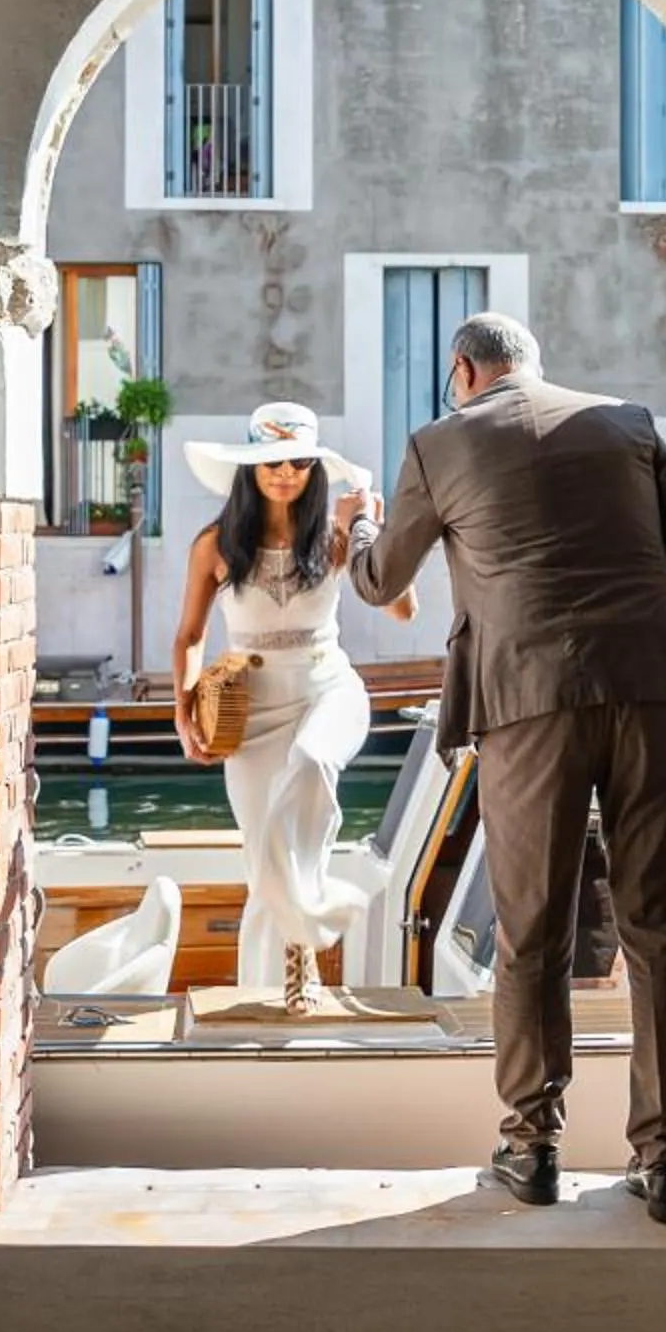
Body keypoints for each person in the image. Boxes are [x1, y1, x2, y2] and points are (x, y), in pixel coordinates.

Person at [346, 314, 666, 1226]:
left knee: (532, 933)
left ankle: (531, 1148)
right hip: (658, 692)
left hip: (530, 702)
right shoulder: (628, 423)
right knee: (662, 931)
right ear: (534, 369)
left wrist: (357, 526)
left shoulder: (440, 444)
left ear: (465, 371)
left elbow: (379, 578)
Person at [172, 403, 416, 1012]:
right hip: (248, 713)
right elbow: (189, 636)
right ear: (249, 468)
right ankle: (271, 989)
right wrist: (182, 711)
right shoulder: (215, 544)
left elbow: (403, 609)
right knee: (264, 856)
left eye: (299, 462)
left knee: (310, 766)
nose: (285, 472)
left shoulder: (332, 540)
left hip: (326, 688)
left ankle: (309, 933)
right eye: (271, 461)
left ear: (314, 470)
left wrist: (370, 531)